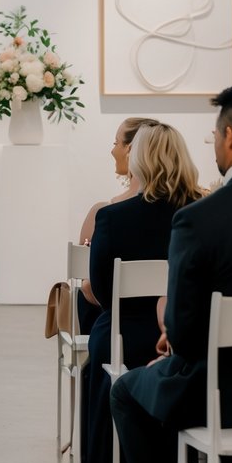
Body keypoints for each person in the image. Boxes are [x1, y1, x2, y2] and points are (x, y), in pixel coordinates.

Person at [110, 83, 232, 463]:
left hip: (221, 393)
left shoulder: (200, 220)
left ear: (229, 139)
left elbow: (187, 334)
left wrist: (170, 339)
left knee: (130, 390)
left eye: (214, 136)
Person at [81, 122, 202, 463]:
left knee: (98, 350)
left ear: (139, 161)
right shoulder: (200, 213)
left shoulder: (114, 217)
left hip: (124, 333)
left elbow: (101, 291)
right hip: (184, 337)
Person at [77, 116, 160, 333]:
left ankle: (88, 365)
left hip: (118, 332)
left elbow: (90, 288)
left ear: (131, 149)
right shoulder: (183, 212)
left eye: (116, 143)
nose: (112, 151)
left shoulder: (104, 214)